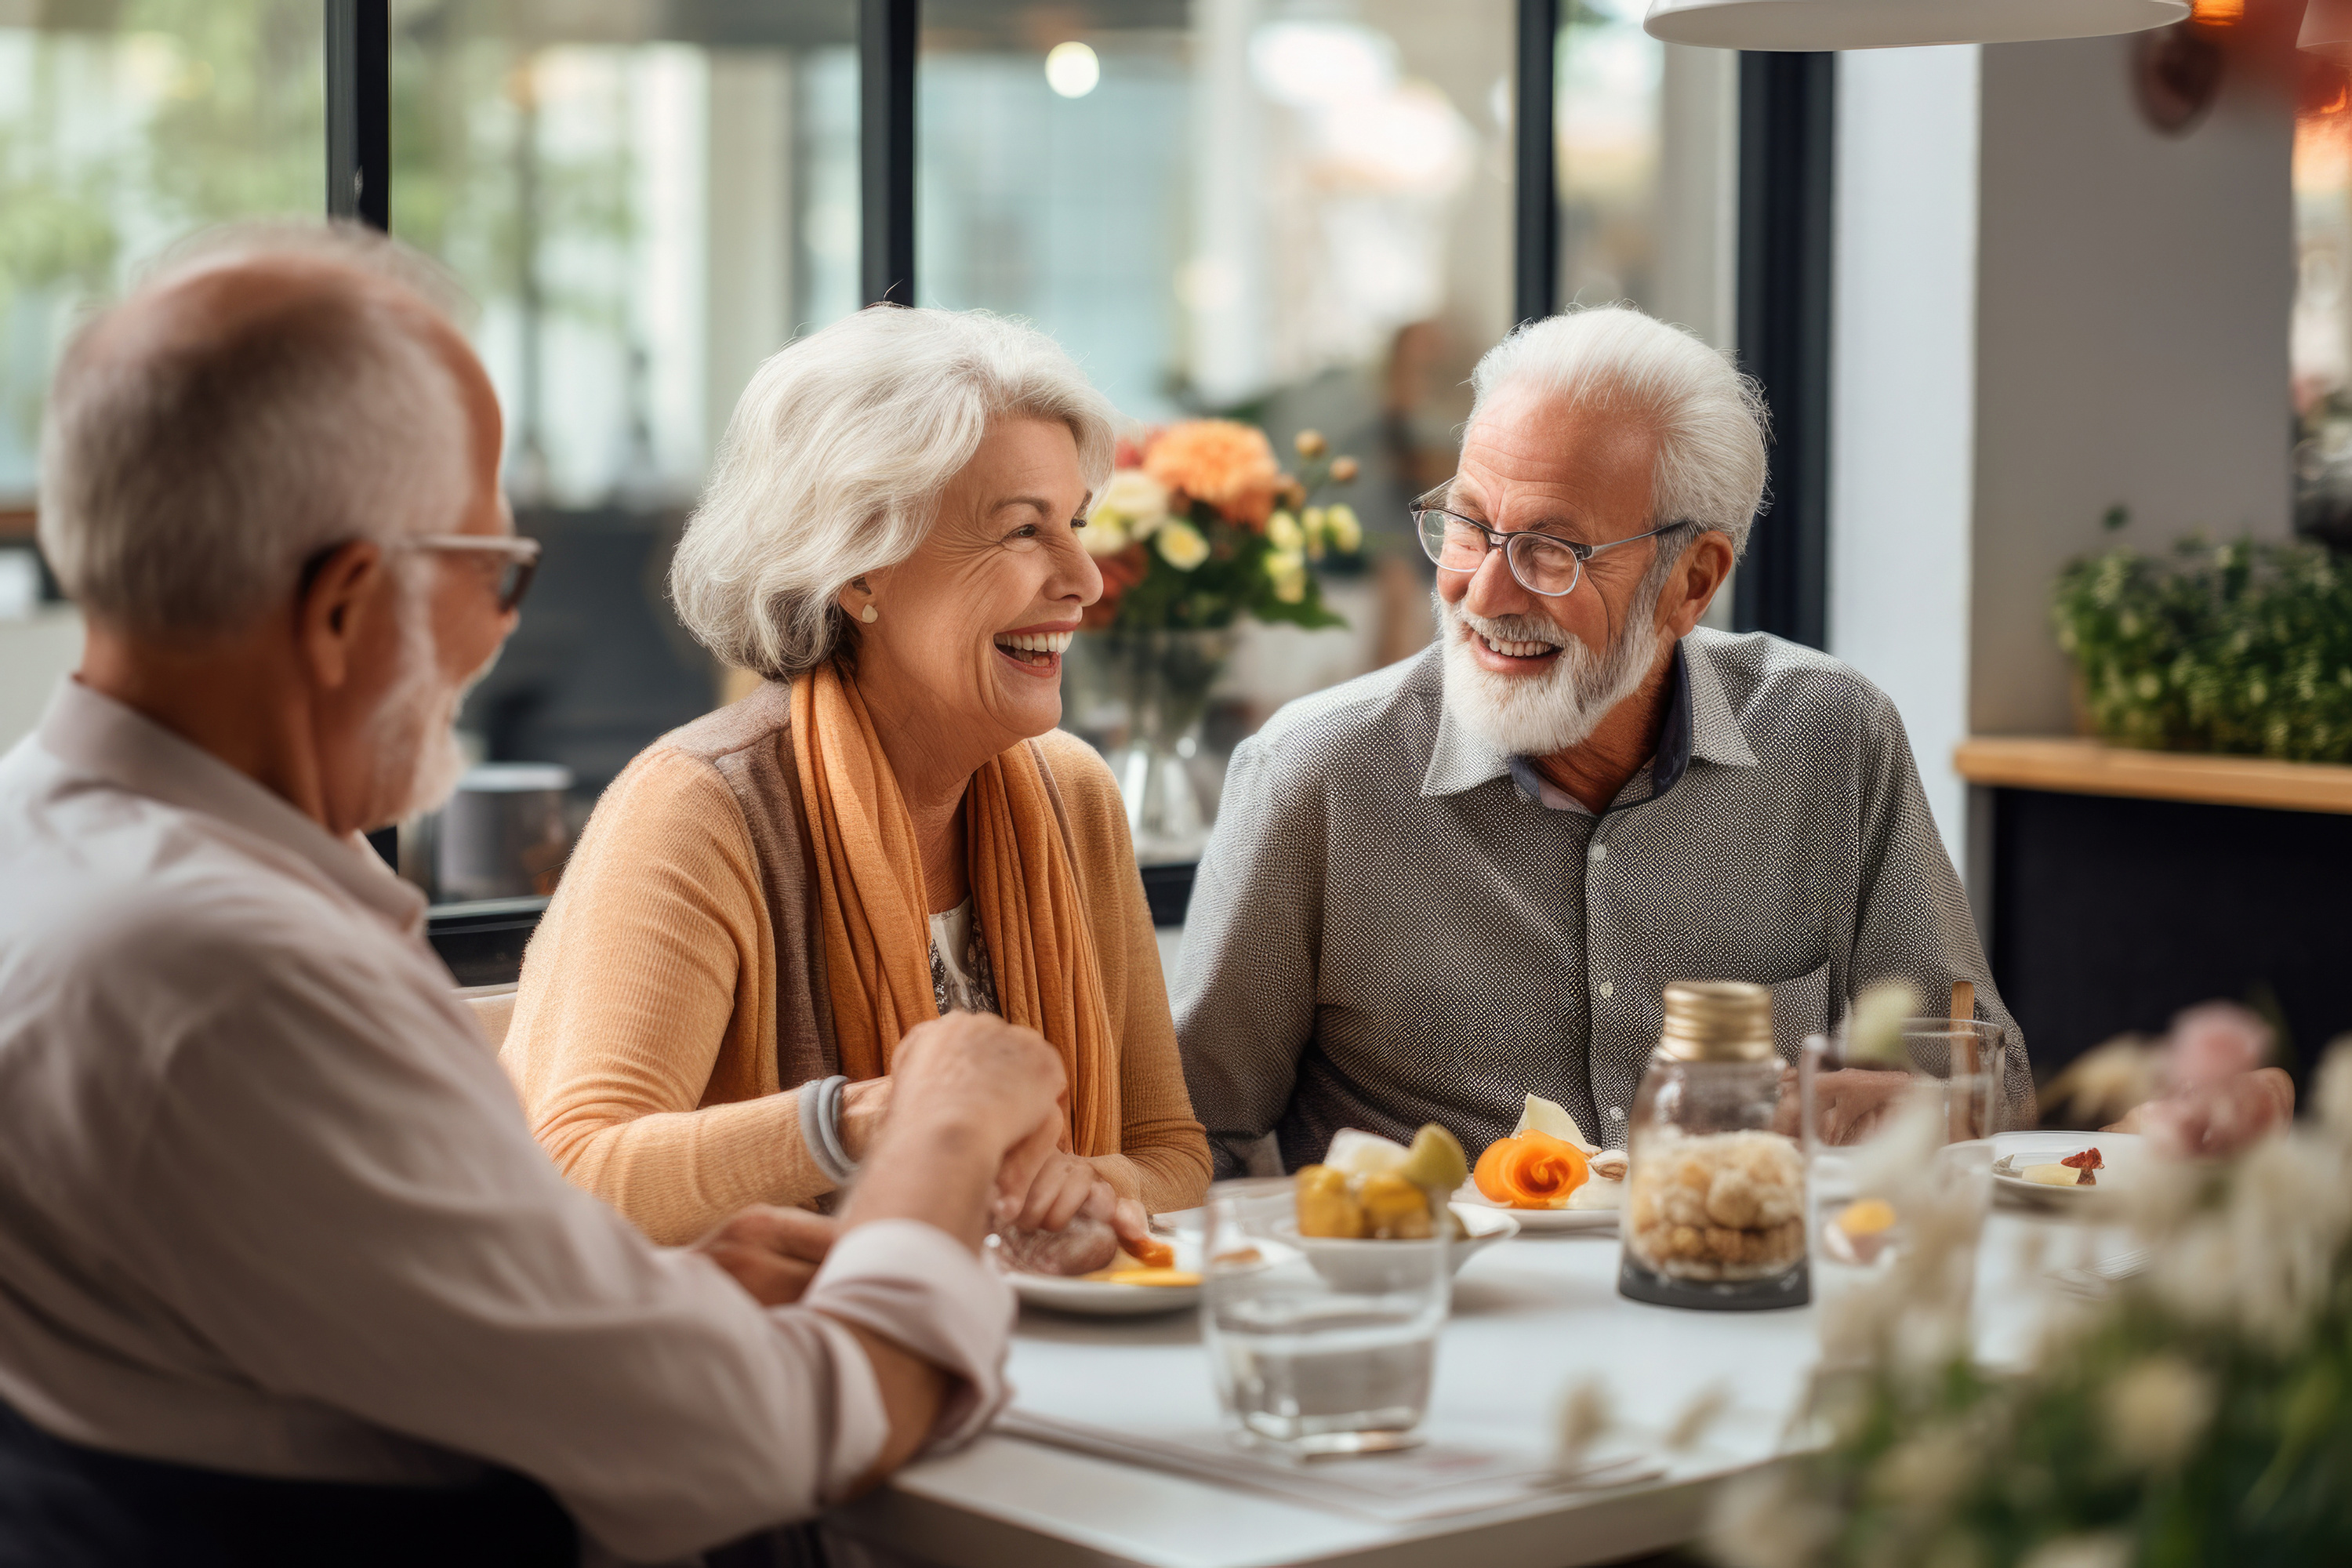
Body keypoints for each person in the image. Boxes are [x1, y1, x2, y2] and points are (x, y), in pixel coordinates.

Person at [0, 223, 1070, 1565]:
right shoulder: (234, 976)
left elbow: (256, 1317)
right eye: (494, 573)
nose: (500, 633)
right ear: (343, 606)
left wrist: (635, 1301)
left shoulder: (53, 857)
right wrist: (944, 1127)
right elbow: (781, 1436)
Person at [1175, 305, 2034, 1176]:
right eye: (1469, 525)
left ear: (1691, 582)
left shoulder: (1834, 737)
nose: (1487, 592)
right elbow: (1192, 1136)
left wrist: (1915, 1107)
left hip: (1747, 1290)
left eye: (1553, 550)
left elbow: (1981, 1083)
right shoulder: (1315, 774)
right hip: (1450, 1303)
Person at [498, 306, 1210, 1259]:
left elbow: (1171, 1150)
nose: (1084, 575)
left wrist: (1089, 1180)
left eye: (1076, 523)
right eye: (1022, 531)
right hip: (775, 1369)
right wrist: (873, 1121)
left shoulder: (1074, 794)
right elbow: (574, 1175)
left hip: (1029, 1345)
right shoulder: (699, 806)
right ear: (858, 567)